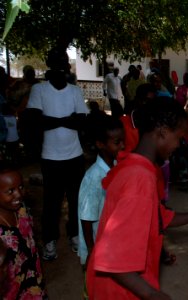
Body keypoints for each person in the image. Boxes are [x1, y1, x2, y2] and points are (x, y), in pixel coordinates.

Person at [86, 98, 188, 299]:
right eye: (178, 138)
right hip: (120, 292)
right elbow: (112, 258)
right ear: (162, 133)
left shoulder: (136, 166)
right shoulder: (140, 179)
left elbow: (158, 217)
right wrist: (152, 294)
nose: (178, 145)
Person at [26, 47, 88, 260]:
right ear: (50, 64)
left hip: (74, 156)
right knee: (51, 201)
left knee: (75, 199)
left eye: (64, 62)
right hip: (51, 157)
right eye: (58, 62)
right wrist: (66, 120)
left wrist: (51, 121)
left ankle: (75, 235)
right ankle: (50, 241)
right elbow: (34, 120)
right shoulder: (39, 90)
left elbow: (82, 120)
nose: (62, 66)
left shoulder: (74, 91)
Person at [78, 116, 125, 268]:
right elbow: (86, 219)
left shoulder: (117, 166)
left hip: (111, 240)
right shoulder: (94, 178)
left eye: (122, 141)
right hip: (98, 246)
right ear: (100, 144)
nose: (122, 146)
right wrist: (92, 252)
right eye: (117, 143)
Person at [0, 164, 47, 298]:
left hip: (33, 280)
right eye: (10, 191)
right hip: (11, 290)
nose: (19, 194)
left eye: (20, 187)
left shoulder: (21, 210)